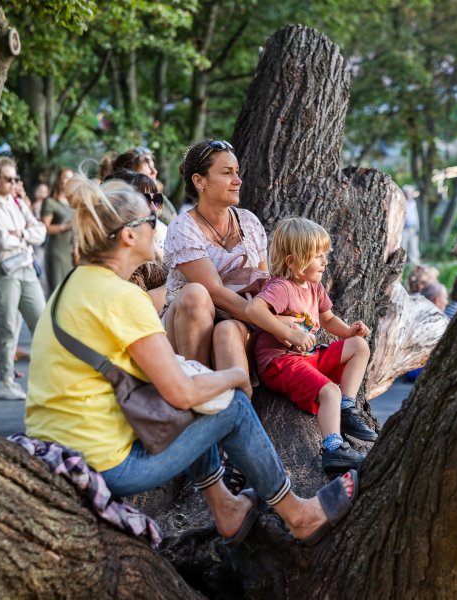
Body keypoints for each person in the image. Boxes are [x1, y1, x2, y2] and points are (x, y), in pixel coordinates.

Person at [25, 173, 357, 546]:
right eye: (151, 220)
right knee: (231, 407)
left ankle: (226, 509)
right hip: (105, 464)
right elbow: (180, 393)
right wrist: (235, 376)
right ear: (128, 235)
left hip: (56, 444)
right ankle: (298, 514)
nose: (158, 224)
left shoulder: (72, 284)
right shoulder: (122, 298)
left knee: (203, 399)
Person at [246, 218, 377, 476]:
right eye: (317, 256)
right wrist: (287, 333)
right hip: (282, 362)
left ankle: (346, 407)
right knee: (329, 391)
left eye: (324, 255)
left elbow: (328, 319)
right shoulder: (281, 287)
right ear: (292, 262)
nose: (324, 262)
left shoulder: (314, 287)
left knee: (359, 346)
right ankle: (333, 448)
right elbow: (253, 310)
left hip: (309, 356)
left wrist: (349, 331)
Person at [163, 140, 268, 372]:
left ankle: (235, 399)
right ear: (199, 181)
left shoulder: (249, 221)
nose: (237, 180)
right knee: (195, 293)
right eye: (227, 173)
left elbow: (265, 280)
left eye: (237, 172)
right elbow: (213, 291)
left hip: (241, 322)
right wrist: (268, 320)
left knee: (228, 331)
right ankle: (196, 380)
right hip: (189, 325)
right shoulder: (183, 227)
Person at [0, 156, 46, 400]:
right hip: (3, 270)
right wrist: (25, 235)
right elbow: (2, 241)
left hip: (26, 267)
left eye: (16, 178)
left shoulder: (17, 202)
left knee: (42, 323)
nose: (13, 183)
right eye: (8, 179)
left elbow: (41, 231)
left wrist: (21, 233)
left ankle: (45, 379)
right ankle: (6, 381)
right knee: (6, 327)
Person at [108, 169, 168, 312]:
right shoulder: (125, 262)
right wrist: (179, 285)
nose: (154, 208)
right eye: (146, 200)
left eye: (157, 200)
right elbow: (139, 310)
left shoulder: (149, 249)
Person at [41, 167, 76, 292]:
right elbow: (44, 228)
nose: (69, 181)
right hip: (57, 252)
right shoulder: (50, 202)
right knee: (58, 291)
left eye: (72, 178)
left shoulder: (73, 202)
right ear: (58, 180)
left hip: (72, 251)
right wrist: (65, 226)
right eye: (66, 177)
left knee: (71, 290)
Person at [401, 185, 420, 265]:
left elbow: (415, 216)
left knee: (414, 247)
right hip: (404, 229)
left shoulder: (413, 203)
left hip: (412, 228)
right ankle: (401, 264)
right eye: (407, 193)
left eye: (410, 193)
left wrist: (417, 228)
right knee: (403, 247)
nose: (409, 195)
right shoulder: (401, 202)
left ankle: (415, 264)